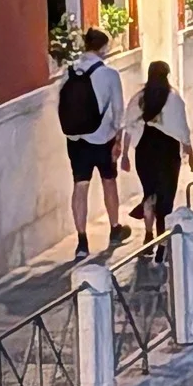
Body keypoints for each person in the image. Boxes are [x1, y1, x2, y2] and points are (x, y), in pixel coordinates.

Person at [58, 27, 128, 260]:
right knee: (109, 181)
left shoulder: (69, 72)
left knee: (80, 186)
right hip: (102, 138)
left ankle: (81, 241)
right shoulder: (109, 75)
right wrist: (118, 141)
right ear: (103, 47)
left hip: (76, 140)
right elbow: (119, 111)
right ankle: (115, 227)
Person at [123, 61, 193, 244]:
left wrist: (124, 154)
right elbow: (182, 129)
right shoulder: (174, 98)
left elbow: (129, 128)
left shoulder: (138, 99)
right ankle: (163, 240)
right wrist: (191, 155)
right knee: (166, 196)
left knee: (150, 193)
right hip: (167, 152)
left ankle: (148, 234)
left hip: (144, 151)